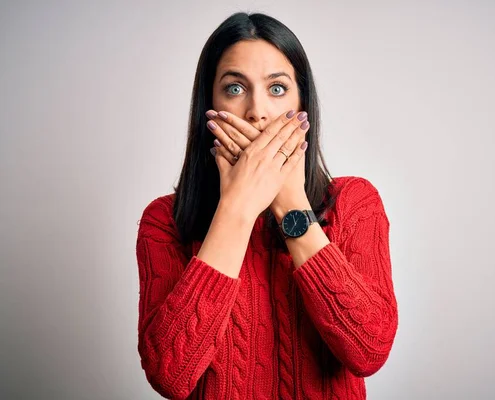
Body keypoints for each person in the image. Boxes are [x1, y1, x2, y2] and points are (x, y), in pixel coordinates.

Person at [135, 11, 398, 400]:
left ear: (302, 104)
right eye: (235, 88)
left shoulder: (354, 203)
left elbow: (369, 350)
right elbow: (169, 375)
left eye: (277, 89)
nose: (257, 112)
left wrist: (290, 202)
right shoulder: (164, 221)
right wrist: (236, 209)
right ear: (209, 105)